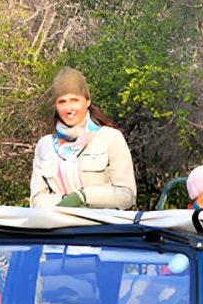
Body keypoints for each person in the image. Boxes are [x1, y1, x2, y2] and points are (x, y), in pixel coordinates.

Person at [30, 67, 136, 210]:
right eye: (62, 102)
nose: (69, 108)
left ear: (87, 101)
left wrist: (84, 197)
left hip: (102, 228)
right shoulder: (44, 146)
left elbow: (127, 195)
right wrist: (64, 201)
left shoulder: (110, 137)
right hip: (58, 227)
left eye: (75, 100)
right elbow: (37, 199)